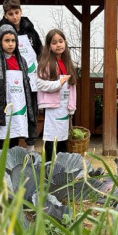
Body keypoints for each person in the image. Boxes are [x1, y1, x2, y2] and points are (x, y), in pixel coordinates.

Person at [0, 0, 43, 152]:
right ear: (5, 15)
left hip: (29, 83)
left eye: (16, 12)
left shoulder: (32, 33)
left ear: (21, 11)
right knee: (6, 121)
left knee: (28, 117)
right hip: (5, 88)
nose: (14, 17)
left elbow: (40, 53)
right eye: (10, 14)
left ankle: (30, 150)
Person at [0, 24, 37, 150]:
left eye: (13, 40)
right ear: (0, 42)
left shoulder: (21, 61)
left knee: (14, 138)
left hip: (17, 107)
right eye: (7, 40)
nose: (11, 44)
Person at [36, 29, 78, 161]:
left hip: (64, 107)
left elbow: (72, 87)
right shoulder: (46, 64)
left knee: (62, 139)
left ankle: (61, 168)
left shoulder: (68, 64)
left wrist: (72, 106)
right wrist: (57, 84)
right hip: (53, 107)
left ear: (65, 43)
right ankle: (49, 167)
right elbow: (40, 84)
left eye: (61, 41)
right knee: (51, 139)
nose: (58, 45)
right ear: (49, 46)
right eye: (54, 43)